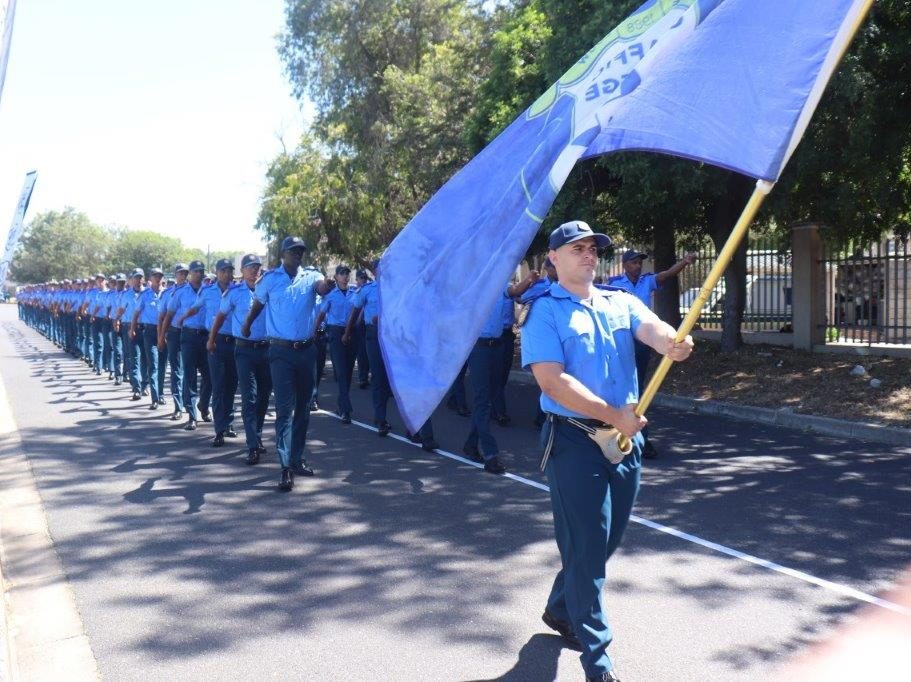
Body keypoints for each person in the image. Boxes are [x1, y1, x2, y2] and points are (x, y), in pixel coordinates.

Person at [521, 220, 693, 682]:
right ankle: (598, 660)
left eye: (593, 248)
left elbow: (651, 328)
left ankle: (561, 607)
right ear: (553, 259)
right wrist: (612, 413)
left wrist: (672, 343)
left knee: (604, 541)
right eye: (576, 248)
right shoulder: (544, 312)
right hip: (575, 439)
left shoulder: (620, 300)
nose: (589, 254)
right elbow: (551, 380)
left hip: (624, 439)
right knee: (589, 545)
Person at [241, 237, 335, 492]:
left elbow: (321, 287)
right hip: (280, 353)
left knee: (304, 409)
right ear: (283, 254)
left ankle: (296, 459)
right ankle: (284, 467)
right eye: (293, 252)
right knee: (285, 409)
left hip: (306, 351)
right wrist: (248, 325)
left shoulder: (311, 276)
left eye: (301, 252)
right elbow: (258, 305)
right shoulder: (270, 279)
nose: (298, 256)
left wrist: (328, 284)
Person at [606, 248, 696, 458]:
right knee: (624, 388)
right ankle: (628, 435)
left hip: (642, 342)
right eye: (633, 263)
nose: (637, 266)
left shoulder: (647, 281)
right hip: (620, 342)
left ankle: (638, 439)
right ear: (625, 264)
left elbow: (667, 274)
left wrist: (685, 261)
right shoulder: (613, 284)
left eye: (639, 263)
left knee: (636, 390)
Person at [462, 272, 539, 475]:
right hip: (477, 349)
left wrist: (529, 279)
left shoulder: (500, 286)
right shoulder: (472, 288)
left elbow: (516, 291)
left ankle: (471, 444)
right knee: (482, 400)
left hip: (496, 347)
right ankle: (490, 454)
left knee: (487, 398)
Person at [211, 254, 270, 464]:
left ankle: (258, 434)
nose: (255, 271)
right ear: (242, 271)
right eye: (250, 267)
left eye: (257, 267)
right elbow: (219, 317)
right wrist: (211, 340)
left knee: (264, 395)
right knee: (249, 397)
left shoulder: (268, 289)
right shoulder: (234, 293)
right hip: (243, 350)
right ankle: (252, 445)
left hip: (266, 349)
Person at [191, 258, 239, 446]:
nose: (227, 274)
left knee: (231, 385)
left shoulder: (238, 291)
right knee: (218, 385)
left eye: (229, 270)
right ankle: (219, 429)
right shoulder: (208, 291)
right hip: (215, 342)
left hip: (235, 342)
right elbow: (195, 307)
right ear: (217, 272)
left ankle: (228, 423)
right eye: (223, 270)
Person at [162, 260, 210, 431]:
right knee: (189, 377)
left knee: (209, 376)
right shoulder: (181, 292)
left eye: (201, 270)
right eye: (196, 271)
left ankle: (203, 405)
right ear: (190, 273)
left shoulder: (209, 290)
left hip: (206, 337)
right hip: (188, 336)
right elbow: (169, 315)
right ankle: (192, 416)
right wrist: (162, 336)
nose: (199, 273)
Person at [314, 265, 356, 423]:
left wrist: (352, 329)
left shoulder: (354, 292)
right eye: (342, 274)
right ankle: (346, 410)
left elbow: (359, 311)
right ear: (336, 277)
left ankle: (341, 404)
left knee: (349, 371)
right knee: (341, 372)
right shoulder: (330, 295)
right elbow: (321, 314)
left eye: (347, 274)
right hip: (336, 333)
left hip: (352, 333)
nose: (345, 277)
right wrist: (314, 332)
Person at [130, 268, 167, 409]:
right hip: (150, 332)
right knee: (153, 364)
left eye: (160, 276)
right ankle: (155, 398)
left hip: (165, 331)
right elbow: (136, 313)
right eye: (155, 276)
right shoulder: (145, 295)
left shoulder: (168, 293)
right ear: (150, 278)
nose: (158, 278)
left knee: (163, 365)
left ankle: (161, 394)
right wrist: (132, 329)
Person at [158, 264, 189, 420]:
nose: (183, 276)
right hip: (174, 333)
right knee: (176, 371)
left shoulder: (193, 291)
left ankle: (190, 405)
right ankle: (178, 406)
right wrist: (160, 336)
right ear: (175, 275)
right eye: (180, 273)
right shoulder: (168, 294)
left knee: (188, 371)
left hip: (190, 335)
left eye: (185, 273)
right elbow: (162, 317)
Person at [351, 269, 371, 388]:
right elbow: (354, 308)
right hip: (358, 326)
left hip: (367, 324)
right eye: (361, 278)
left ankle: (371, 376)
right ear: (356, 280)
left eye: (364, 278)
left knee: (370, 352)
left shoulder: (369, 290)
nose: (363, 280)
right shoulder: (355, 292)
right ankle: (363, 378)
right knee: (362, 353)